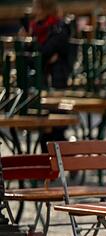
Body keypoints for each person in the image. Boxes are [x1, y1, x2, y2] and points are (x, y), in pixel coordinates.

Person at [20, 0, 72, 151]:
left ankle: (66, 162)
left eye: (36, 6)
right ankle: (50, 169)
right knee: (45, 131)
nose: (33, 9)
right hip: (40, 84)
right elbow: (30, 59)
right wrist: (28, 41)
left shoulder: (60, 27)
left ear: (43, 8)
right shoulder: (35, 28)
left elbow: (43, 54)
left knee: (56, 129)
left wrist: (32, 45)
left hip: (57, 83)